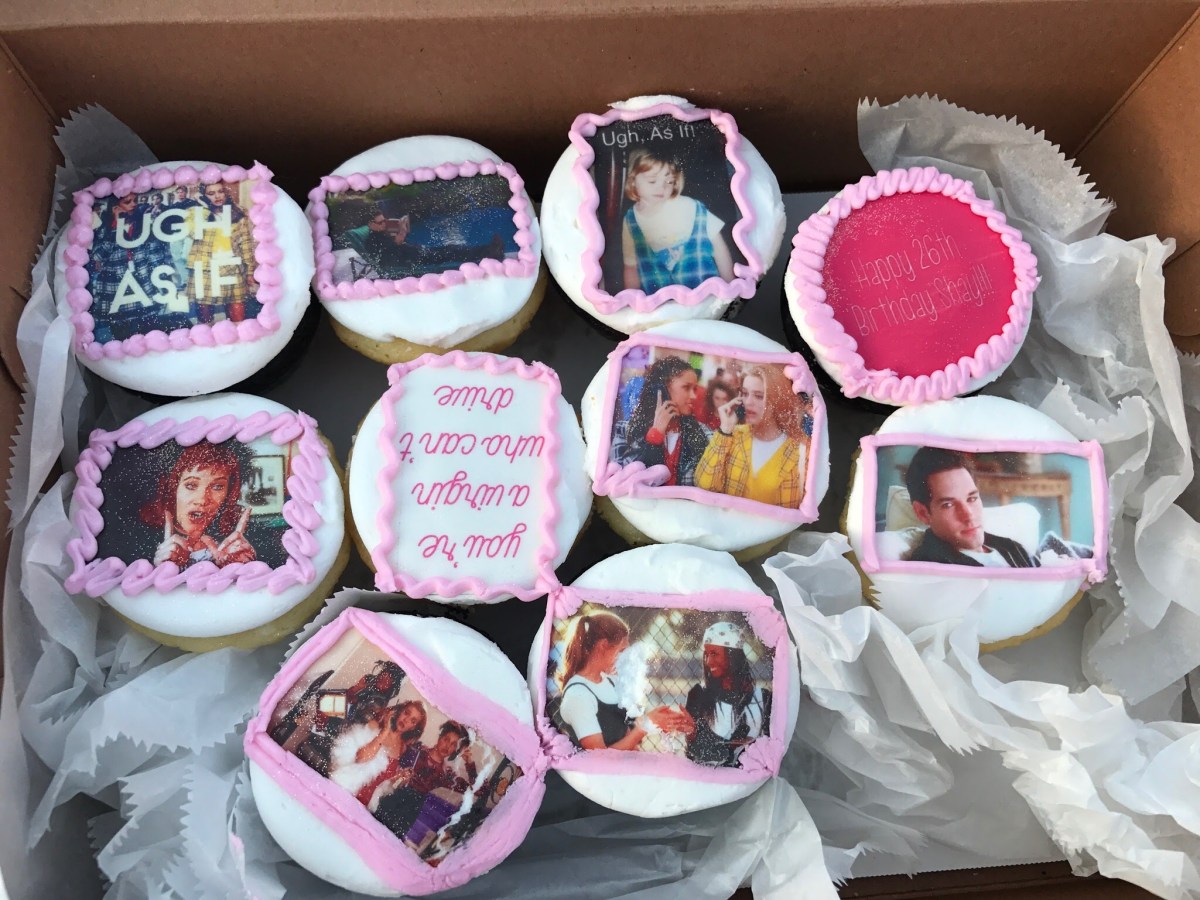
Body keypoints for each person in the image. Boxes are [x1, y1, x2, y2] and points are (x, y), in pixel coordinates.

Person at [552, 611, 691, 750]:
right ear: (602, 646)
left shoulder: (610, 681)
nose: (626, 658)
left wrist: (663, 721)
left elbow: (630, 737)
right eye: (622, 651)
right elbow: (599, 756)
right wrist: (645, 726)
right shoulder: (578, 695)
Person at [620, 146, 735, 293]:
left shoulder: (690, 207)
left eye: (669, 181)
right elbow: (631, 266)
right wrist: (632, 299)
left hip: (705, 294)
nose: (662, 187)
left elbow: (719, 248)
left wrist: (730, 285)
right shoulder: (630, 220)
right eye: (652, 181)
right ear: (632, 181)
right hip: (660, 302)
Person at [694, 366, 810, 508]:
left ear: (777, 399)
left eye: (759, 396)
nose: (748, 402)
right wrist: (725, 430)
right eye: (745, 393)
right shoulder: (733, 435)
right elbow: (704, 486)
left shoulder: (801, 449)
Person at [904, 447, 1038, 568]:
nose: (969, 515)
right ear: (922, 513)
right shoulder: (930, 566)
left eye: (972, 499)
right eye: (948, 505)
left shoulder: (1011, 548)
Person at [142, 442, 257, 569]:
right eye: (191, 485)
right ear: (172, 489)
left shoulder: (241, 540)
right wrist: (161, 570)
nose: (202, 500)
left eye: (217, 487)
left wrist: (240, 567)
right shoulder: (141, 541)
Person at [87, 192, 182, 342]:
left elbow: (158, 255)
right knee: (122, 339)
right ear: (115, 207)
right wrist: (116, 228)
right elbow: (98, 256)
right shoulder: (104, 230)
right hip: (116, 288)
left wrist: (167, 285)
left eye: (135, 200)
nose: (133, 204)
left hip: (143, 284)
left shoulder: (144, 225)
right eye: (127, 202)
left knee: (150, 336)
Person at [682, 622, 772, 767]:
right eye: (706, 654)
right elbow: (696, 753)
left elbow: (770, 750)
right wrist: (692, 732)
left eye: (714, 654)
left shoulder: (762, 698)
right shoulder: (698, 695)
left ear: (733, 655)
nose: (708, 661)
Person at [373, 721, 479, 840]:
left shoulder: (447, 774)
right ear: (440, 737)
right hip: (392, 796)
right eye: (446, 739)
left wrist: (469, 762)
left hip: (411, 810)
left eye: (453, 744)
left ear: (456, 749)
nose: (447, 746)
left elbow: (478, 790)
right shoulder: (416, 750)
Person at [621, 356, 712, 486]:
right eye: (686, 388)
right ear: (662, 391)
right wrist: (654, 437)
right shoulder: (627, 429)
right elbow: (628, 480)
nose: (693, 396)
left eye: (695, 389)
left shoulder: (704, 432)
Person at [329, 701, 427, 812]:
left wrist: (399, 778)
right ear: (399, 711)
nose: (406, 720)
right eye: (406, 713)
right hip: (346, 790)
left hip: (365, 803)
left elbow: (383, 782)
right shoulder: (375, 726)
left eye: (413, 721)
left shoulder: (402, 747)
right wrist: (385, 731)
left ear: (413, 727)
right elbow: (361, 758)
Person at [358, 209, 505, 280]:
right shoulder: (373, 240)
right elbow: (395, 248)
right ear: (370, 225)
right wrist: (402, 231)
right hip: (412, 261)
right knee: (451, 251)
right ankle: (490, 252)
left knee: (450, 249)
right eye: (380, 222)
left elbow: (394, 246)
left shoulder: (378, 235)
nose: (384, 223)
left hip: (415, 254)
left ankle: (488, 250)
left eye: (384, 220)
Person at [187, 181, 257, 324]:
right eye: (211, 194)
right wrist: (204, 207)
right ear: (203, 196)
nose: (217, 196)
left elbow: (245, 243)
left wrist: (250, 270)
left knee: (238, 315)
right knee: (205, 316)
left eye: (220, 191)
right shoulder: (195, 212)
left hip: (232, 266)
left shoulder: (238, 212)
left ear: (226, 192)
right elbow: (193, 233)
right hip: (205, 268)